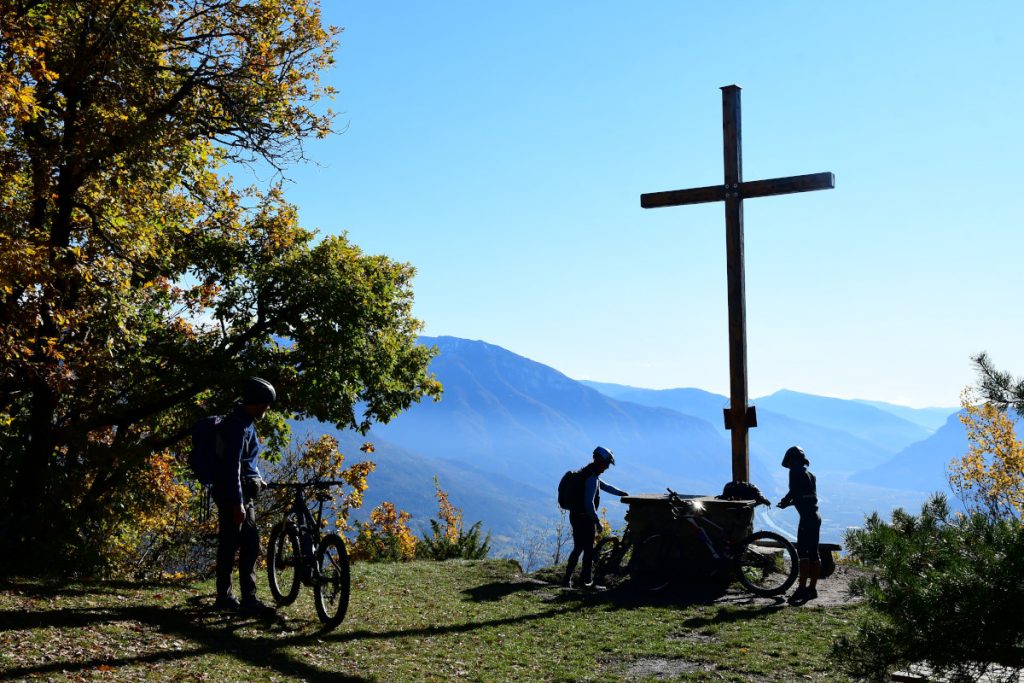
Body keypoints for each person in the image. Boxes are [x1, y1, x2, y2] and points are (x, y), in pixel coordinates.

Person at [211, 377, 277, 616]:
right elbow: (232, 466)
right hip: (233, 494)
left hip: (240, 491)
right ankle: (231, 598)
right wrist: (237, 503)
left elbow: (247, 461)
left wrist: (257, 477)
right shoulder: (237, 426)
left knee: (244, 543)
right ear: (258, 403)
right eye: (266, 404)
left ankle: (236, 597)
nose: (267, 409)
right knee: (237, 543)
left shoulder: (245, 421)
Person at [561, 446, 629, 589]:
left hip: (576, 515)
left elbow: (605, 486)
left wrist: (622, 493)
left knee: (579, 548)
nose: (607, 468)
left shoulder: (586, 472)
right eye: (606, 464)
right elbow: (589, 502)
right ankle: (585, 582)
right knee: (587, 550)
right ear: (599, 461)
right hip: (585, 518)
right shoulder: (591, 477)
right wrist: (597, 521)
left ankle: (567, 580)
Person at [777, 445, 821, 604]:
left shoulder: (794, 472)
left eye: (788, 463)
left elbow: (794, 493)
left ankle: (801, 589)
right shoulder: (811, 475)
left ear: (791, 460)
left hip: (806, 518)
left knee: (803, 553)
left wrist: (784, 501)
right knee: (814, 553)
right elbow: (807, 497)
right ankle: (812, 589)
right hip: (815, 516)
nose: (787, 466)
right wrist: (790, 503)